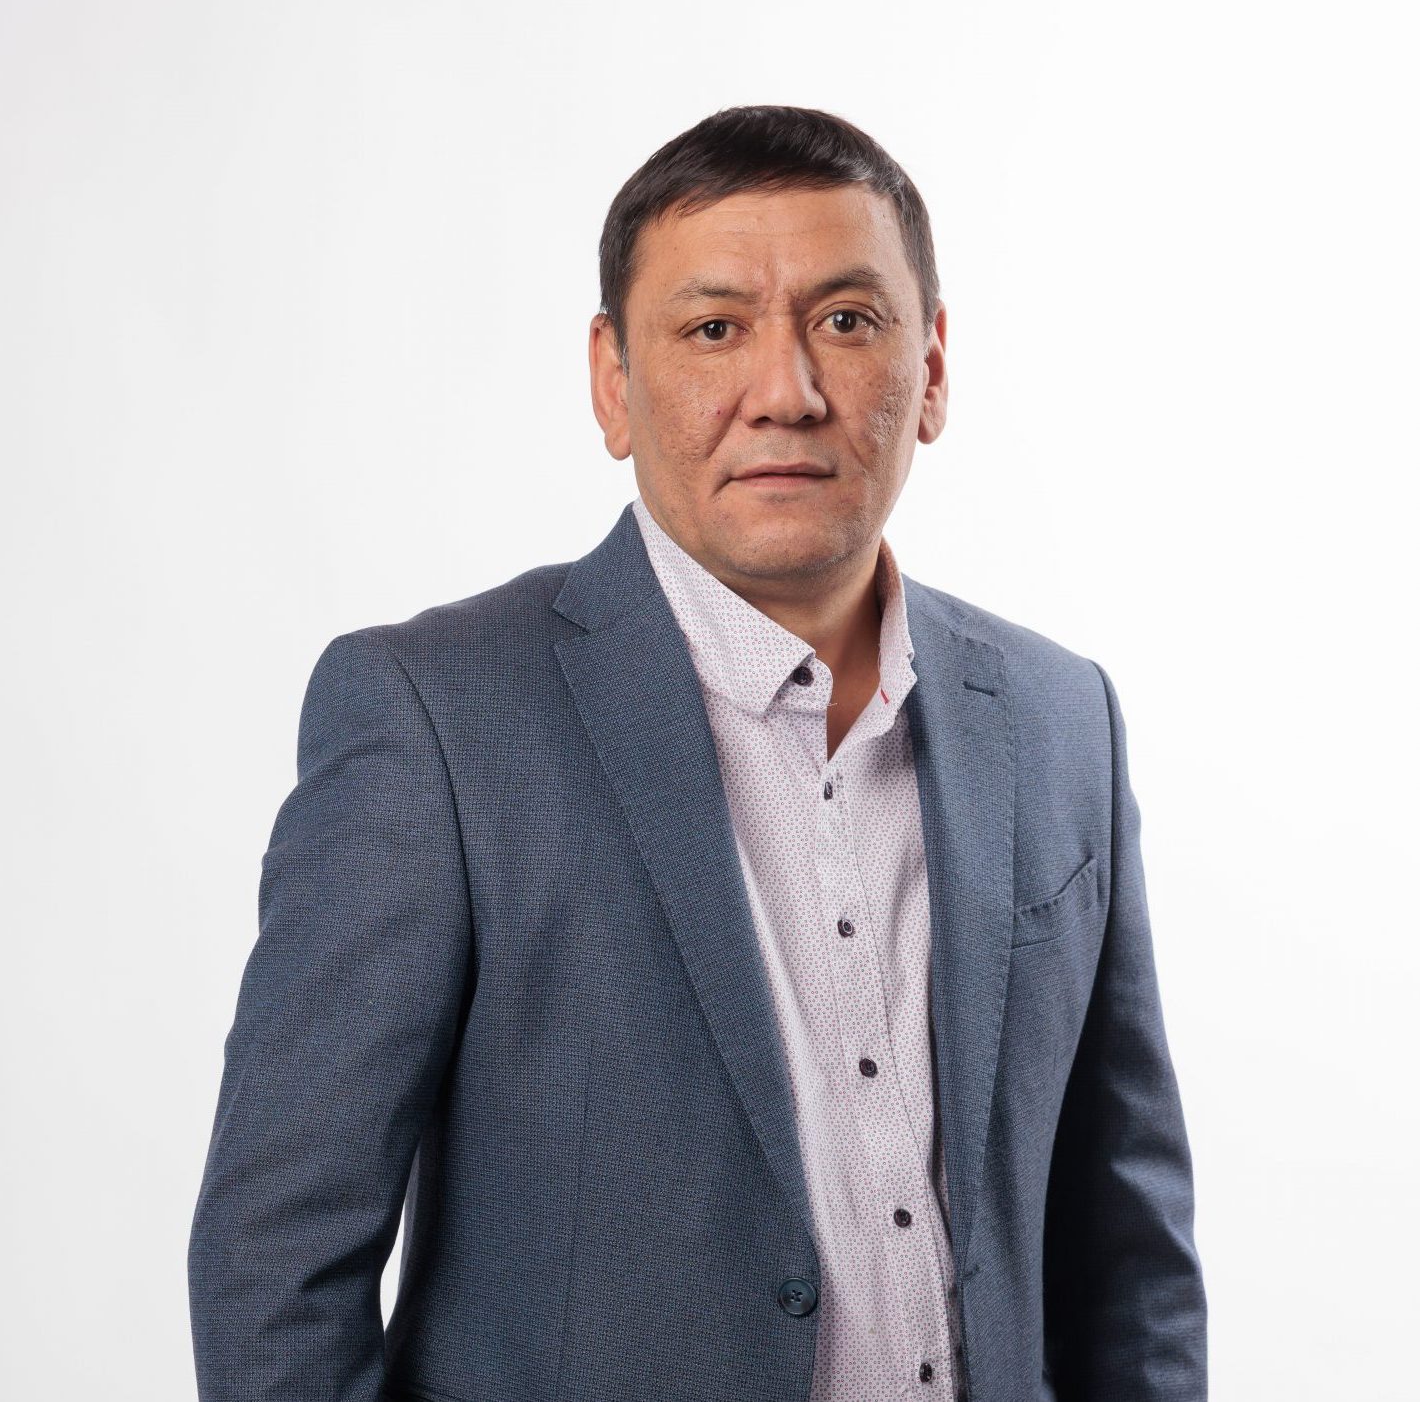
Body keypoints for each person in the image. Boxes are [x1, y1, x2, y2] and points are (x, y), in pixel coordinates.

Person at [187, 104, 1207, 1402]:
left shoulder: (1061, 719)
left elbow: (1129, 1252)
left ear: (934, 367)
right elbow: (274, 1258)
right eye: (714, 329)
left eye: (848, 320)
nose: (787, 392)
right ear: (613, 382)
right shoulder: (434, 718)